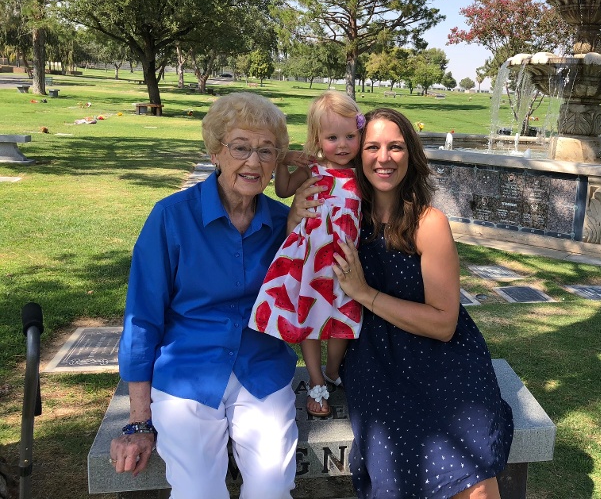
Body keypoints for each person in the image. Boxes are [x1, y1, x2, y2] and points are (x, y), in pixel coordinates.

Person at [111, 92, 320, 499]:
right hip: (187, 371)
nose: (254, 162)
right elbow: (143, 318)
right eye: (240, 147)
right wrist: (139, 420)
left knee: (273, 487)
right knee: (197, 491)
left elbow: (311, 294)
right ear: (215, 151)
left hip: (261, 369)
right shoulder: (171, 217)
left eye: (266, 151)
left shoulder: (284, 222)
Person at [331, 108, 514, 499]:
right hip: (376, 357)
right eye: (373, 147)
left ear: (410, 155)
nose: (384, 158)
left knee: (476, 482)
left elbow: (444, 323)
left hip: (442, 356)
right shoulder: (345, 217)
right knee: (398, 455)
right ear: (357, 155)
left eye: (395, 147)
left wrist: (364, 293)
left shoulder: (428, 224)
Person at [249, 90, 364, 418]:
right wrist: (285, 162)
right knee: (311, 322)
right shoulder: (313, 167)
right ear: (316, 138)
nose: (342, 145)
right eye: (332, 137)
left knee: (343, 320)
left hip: (345, 262)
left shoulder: (364, 172)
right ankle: (316, 383)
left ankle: (332, 370)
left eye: (349, 136)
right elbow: (283, 190)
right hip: (310, 258)